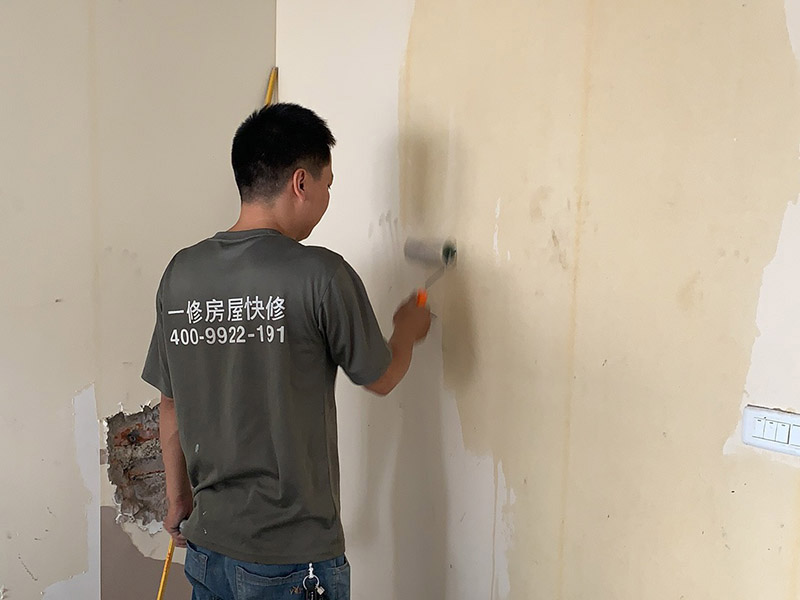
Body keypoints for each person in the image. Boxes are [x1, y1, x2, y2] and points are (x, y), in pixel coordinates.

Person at [142, 103, 431, 600]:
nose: (327, 198)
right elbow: (381, 377)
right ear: (301, 182)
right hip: (293, 564)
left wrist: (178, 501)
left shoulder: (180, 274)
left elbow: (170, 404)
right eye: (327, 185)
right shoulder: (322, 274)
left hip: (208, 549)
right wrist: (407, 330)